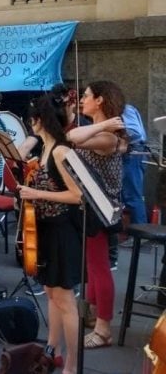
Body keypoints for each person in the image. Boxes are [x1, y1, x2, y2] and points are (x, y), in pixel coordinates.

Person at [15, 96, 82, 373]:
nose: (31, 122)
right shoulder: (46, 148)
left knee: (65, 299)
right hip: (46, 228)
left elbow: (77, 195)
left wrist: (36, 192)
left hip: (62, 231)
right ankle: (52, 348)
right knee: (51, 293)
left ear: (40, 120)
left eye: (33, 118)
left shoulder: (60, 152)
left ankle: (72, 364)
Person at [66, 81, 126, 350]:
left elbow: (73, 137)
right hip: (91, 206)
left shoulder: (108, 137)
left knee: (99, 267)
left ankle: (104, 328)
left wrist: (102, 125)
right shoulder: (103, 131)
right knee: (92, 265)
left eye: (87, 96)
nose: (82, 100)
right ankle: (91, 313)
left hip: (100, 208)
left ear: (100, 101)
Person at [121, 103, 147, 225]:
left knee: (132, 196)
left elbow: (135, 133)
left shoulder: (125, 109)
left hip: (132, 153)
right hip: (129, 153)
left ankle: (140, 237)